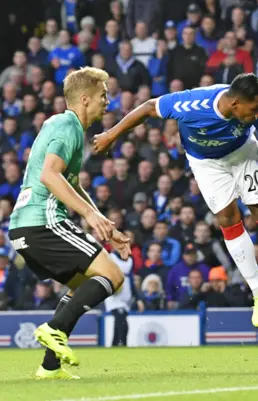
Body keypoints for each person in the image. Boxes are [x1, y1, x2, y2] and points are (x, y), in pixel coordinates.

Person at [93, 73, 258, 328]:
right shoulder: (192, 105)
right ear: (236, 104)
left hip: (242, 153)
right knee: (228, 220)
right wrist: (111, 134)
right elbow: (149, 107)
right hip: (206, 163)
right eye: (254, 110)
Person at [8, 67, 131, 379]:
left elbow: (72, 185)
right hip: (42, 221)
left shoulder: (64, 125)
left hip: (25, 226)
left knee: (84, 285)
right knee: (113, 276)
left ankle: (50, 366)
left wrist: (105, 225)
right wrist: (89, 216)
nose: (108, 101)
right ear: (85, 99)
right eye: (104, 95)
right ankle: (54, 329)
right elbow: (50, 175)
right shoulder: (68, 126)